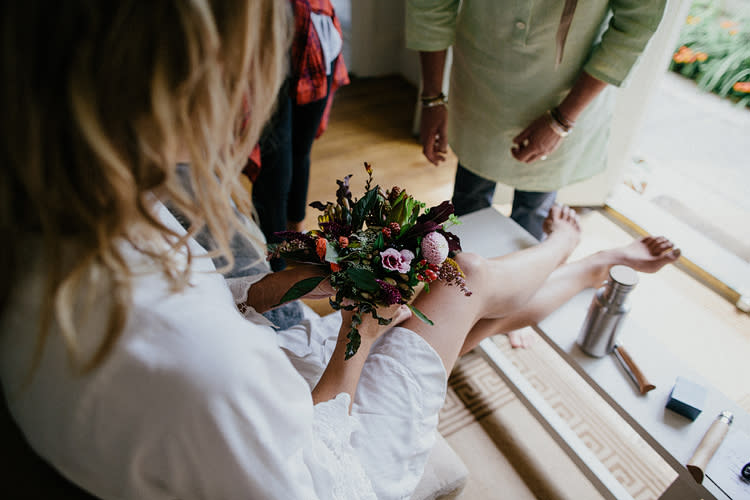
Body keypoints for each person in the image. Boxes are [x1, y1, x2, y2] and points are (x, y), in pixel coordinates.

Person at [0, 2, 681, 499]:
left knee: (449, 314)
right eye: (248, 74)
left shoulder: (70, 234)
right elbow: (331, 480)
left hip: (269, 398)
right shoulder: (202, 370)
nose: (252, 101)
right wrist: (355, 338)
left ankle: (587, 263)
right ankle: (579, 251)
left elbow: (213, 305)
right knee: (465, 278)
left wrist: (285, 289)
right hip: (345, 466)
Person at [406, 0, 668, 239]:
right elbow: (431, 5)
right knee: (468, 197)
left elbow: (635, 27)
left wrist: (562, 120)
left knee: (532, 212)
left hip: (565, 91)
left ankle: (516, 283)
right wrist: (432, 97)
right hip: (481, 84)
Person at [251, 0, 349, 271]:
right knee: (274, 168)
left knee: (301, 150)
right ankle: (275, 264)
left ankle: (297, 234)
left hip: (314, 43)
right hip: (264, 46)